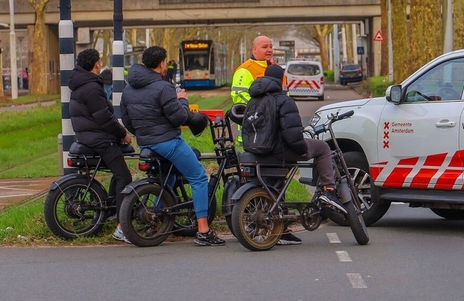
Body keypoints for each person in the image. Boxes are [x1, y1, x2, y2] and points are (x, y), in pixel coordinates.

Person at [121, 46, 223, 246]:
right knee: (199, 176)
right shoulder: (163, 87)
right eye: (166, 62)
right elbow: (178, 117)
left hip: (146, 143)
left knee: (169, 177)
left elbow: (127, 120)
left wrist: (143, 133)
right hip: (168, 142)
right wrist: (183, 101)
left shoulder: (128, 88)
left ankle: (158, 218)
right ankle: (203, 230)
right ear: (161, 64)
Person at [246, 64, 345, 245]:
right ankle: (329, 190)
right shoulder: (284, 101)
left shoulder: (254, 100)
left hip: (258, 151)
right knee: (322, 147)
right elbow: (292, 135)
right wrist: (302, 150)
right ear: (282, 79)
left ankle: (281, 230)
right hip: (281, 150)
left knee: (276, 186)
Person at [70, 49, 135, 243]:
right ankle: (123, 226)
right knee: (124, 176)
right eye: (99, 62)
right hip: (99, 139)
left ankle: (114, 210)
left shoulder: (79, 84)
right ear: (96, 64)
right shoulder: (91, 87)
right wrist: (123, 134)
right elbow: (104, 118)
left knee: (118, 172)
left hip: (87, 136)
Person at [231, 35, 276, 105]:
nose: (269, 50)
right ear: (254, 49)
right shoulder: (245, 69)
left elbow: (285, 92)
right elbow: (238, 94)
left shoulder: (275, 68)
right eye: (265, 47)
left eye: (271, 47)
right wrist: (259, 108)